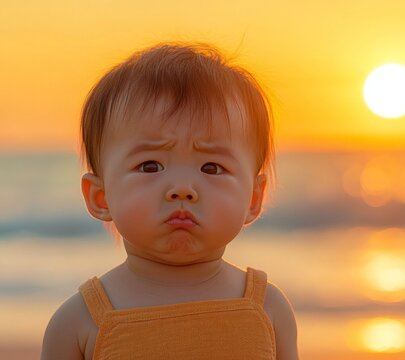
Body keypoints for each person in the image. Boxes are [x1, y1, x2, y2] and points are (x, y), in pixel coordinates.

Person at [41, 43, 298, 360]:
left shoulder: (268, 309)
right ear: (101, 197)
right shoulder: (79, 322)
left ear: (253, 198)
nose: (182, 189)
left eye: (212, 167)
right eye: (150, 166)